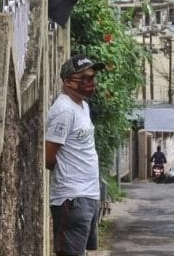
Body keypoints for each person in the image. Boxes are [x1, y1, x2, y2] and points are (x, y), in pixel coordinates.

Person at [45, 54, 105, 256]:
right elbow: (48, 156)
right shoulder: (64, 111)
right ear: (68, 81)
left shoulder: (83, 106)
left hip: (88, 195)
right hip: (71, 198)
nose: (91, 83)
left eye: (93, 77)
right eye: (85, 78)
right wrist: (68, 174)